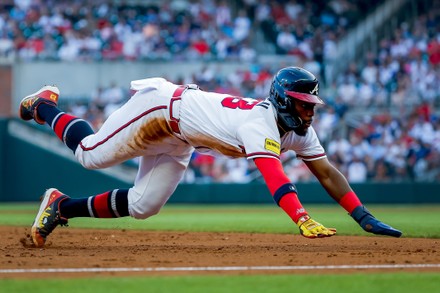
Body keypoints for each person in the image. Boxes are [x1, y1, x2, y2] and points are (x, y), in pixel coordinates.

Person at [19, 67, 402, 247]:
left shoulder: (298, 131)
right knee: (89, 155)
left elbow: (328, 173)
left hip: (182, 136)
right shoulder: (259, 124)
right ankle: (44, 106)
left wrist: (363, 217)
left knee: (143, 205)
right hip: (159, 109)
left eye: (311, 104)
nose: (310, 112)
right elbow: (275, 178)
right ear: (285, 100)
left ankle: (63, 207)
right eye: (304, 104)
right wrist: (301, 218)